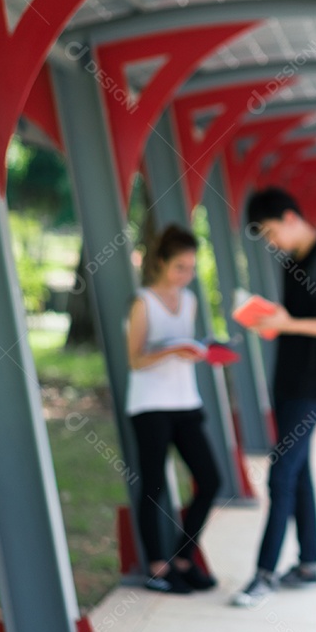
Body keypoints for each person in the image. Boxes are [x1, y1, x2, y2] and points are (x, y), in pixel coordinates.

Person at [230, 187, 316, 607]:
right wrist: (274, 321)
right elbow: (298, 320)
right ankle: (308, 564)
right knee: (298, 472)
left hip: (311, 387)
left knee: (281, 474)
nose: (271, 243)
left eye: (271, 232)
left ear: (290, 217)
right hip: (287, 382)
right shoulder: (293, 261)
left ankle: (263, 574)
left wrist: (291, 323)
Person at [126, 224, 224, 594]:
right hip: (150, 406)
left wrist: (201, 352)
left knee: (210, 480)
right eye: (181, 267)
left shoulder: (190, 301)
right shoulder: (143, 302)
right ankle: (156, 567)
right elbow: (135, 359)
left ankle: (183, 559)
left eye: (192, 268)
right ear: (162, 263)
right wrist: (172, 348)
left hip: (186, 401)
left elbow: (186, 349)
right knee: (152, 487)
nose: (188, 274)